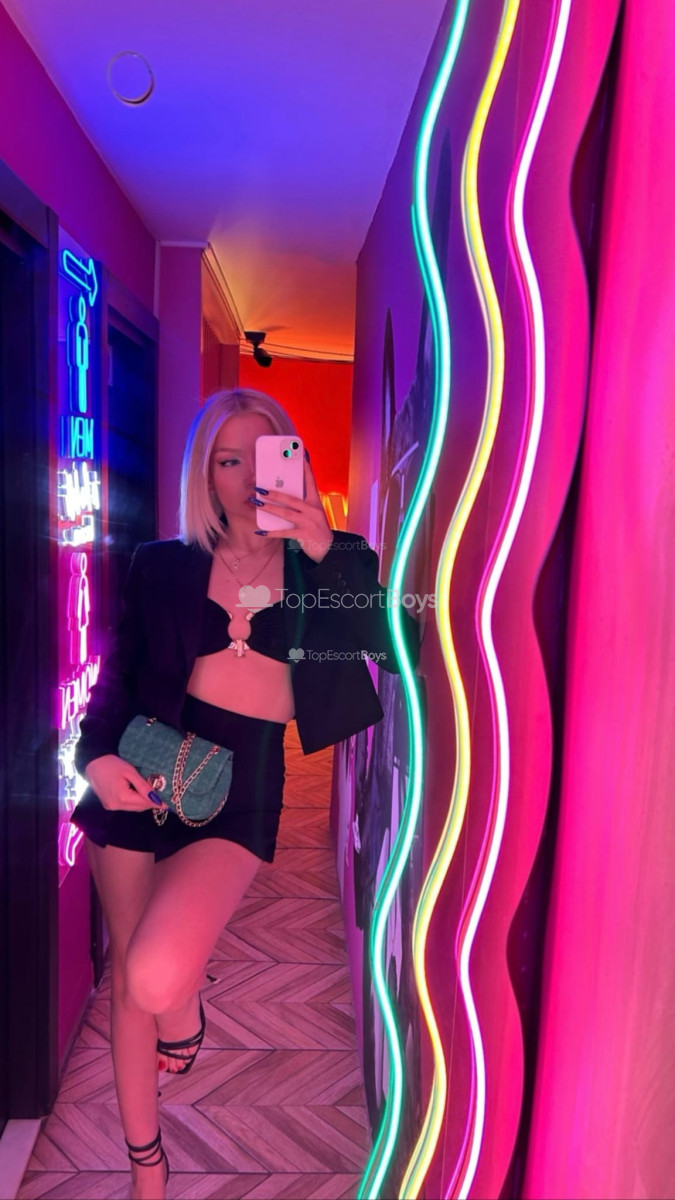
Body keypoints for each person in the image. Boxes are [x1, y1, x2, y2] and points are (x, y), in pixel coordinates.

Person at [70, 387, 420, 1200]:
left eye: (263, 456)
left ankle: (185, 1010)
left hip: (242, 786)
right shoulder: (162, 563)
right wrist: (93, 759)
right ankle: (147, 1170)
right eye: (227, 460)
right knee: (131, 984)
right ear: (206, 471)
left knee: (158, 978)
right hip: (142, 768)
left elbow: (395, 647)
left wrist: (324, 548)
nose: (245, 477)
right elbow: (118, 677)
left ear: (291, 462)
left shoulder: (329, 561)